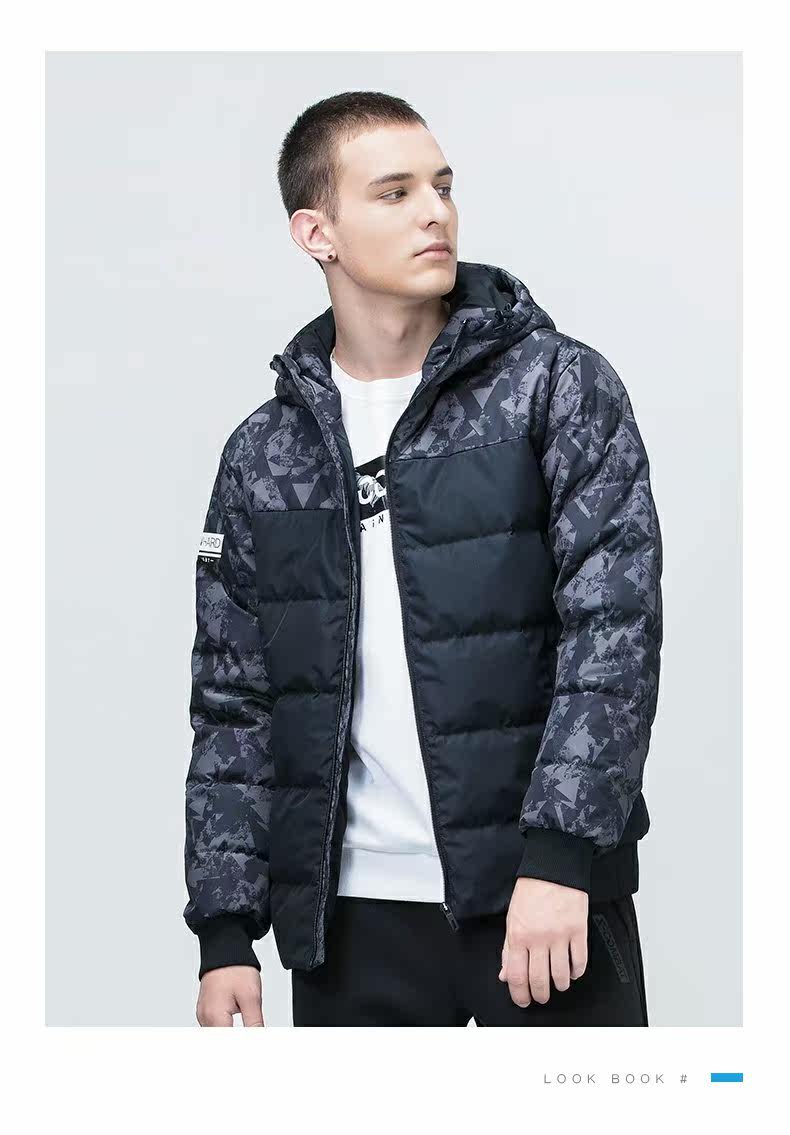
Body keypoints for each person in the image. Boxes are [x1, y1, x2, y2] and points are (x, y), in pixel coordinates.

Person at [183, 91, 663, 1027]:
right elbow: (234, 699)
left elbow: (614, 632)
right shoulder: (265, 454)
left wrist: (560, 856)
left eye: (442, 186)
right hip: (350, 921)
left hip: (540, 901)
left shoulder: (556, 387)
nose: (434, 212)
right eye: (394, 192)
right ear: (316, 233)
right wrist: (225, 931)